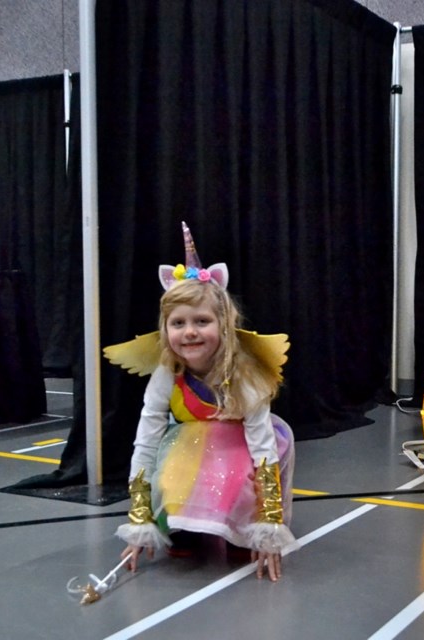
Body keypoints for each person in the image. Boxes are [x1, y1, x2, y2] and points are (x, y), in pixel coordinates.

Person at [105, 222, 297, 581]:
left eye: (202, 321)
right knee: (176, 452)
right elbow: (145, 442)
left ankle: (241, 526)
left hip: (244, 448)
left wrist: (267, 527)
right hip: (192, 449)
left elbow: (263, 450)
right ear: (165, 330)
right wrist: (140, 519)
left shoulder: (245, 376)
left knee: (241, 463)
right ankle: (186, 527)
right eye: (178, 323)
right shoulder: (167, 373)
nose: (189, 331)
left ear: (224, 325)